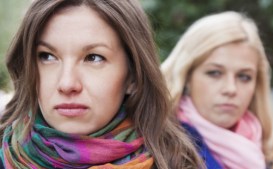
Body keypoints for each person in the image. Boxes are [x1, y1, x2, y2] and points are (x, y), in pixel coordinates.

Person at [0, 0, 205, 168]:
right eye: (47, 56)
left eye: (93, 58)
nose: (67, 83)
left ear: (133, 77)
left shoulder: (176, 162)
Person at [161, 11, 273, 169]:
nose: (230, 89)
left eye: (244, 77)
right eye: (214, 73)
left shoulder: (272, 154)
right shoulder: (158, 148)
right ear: (186, 77)